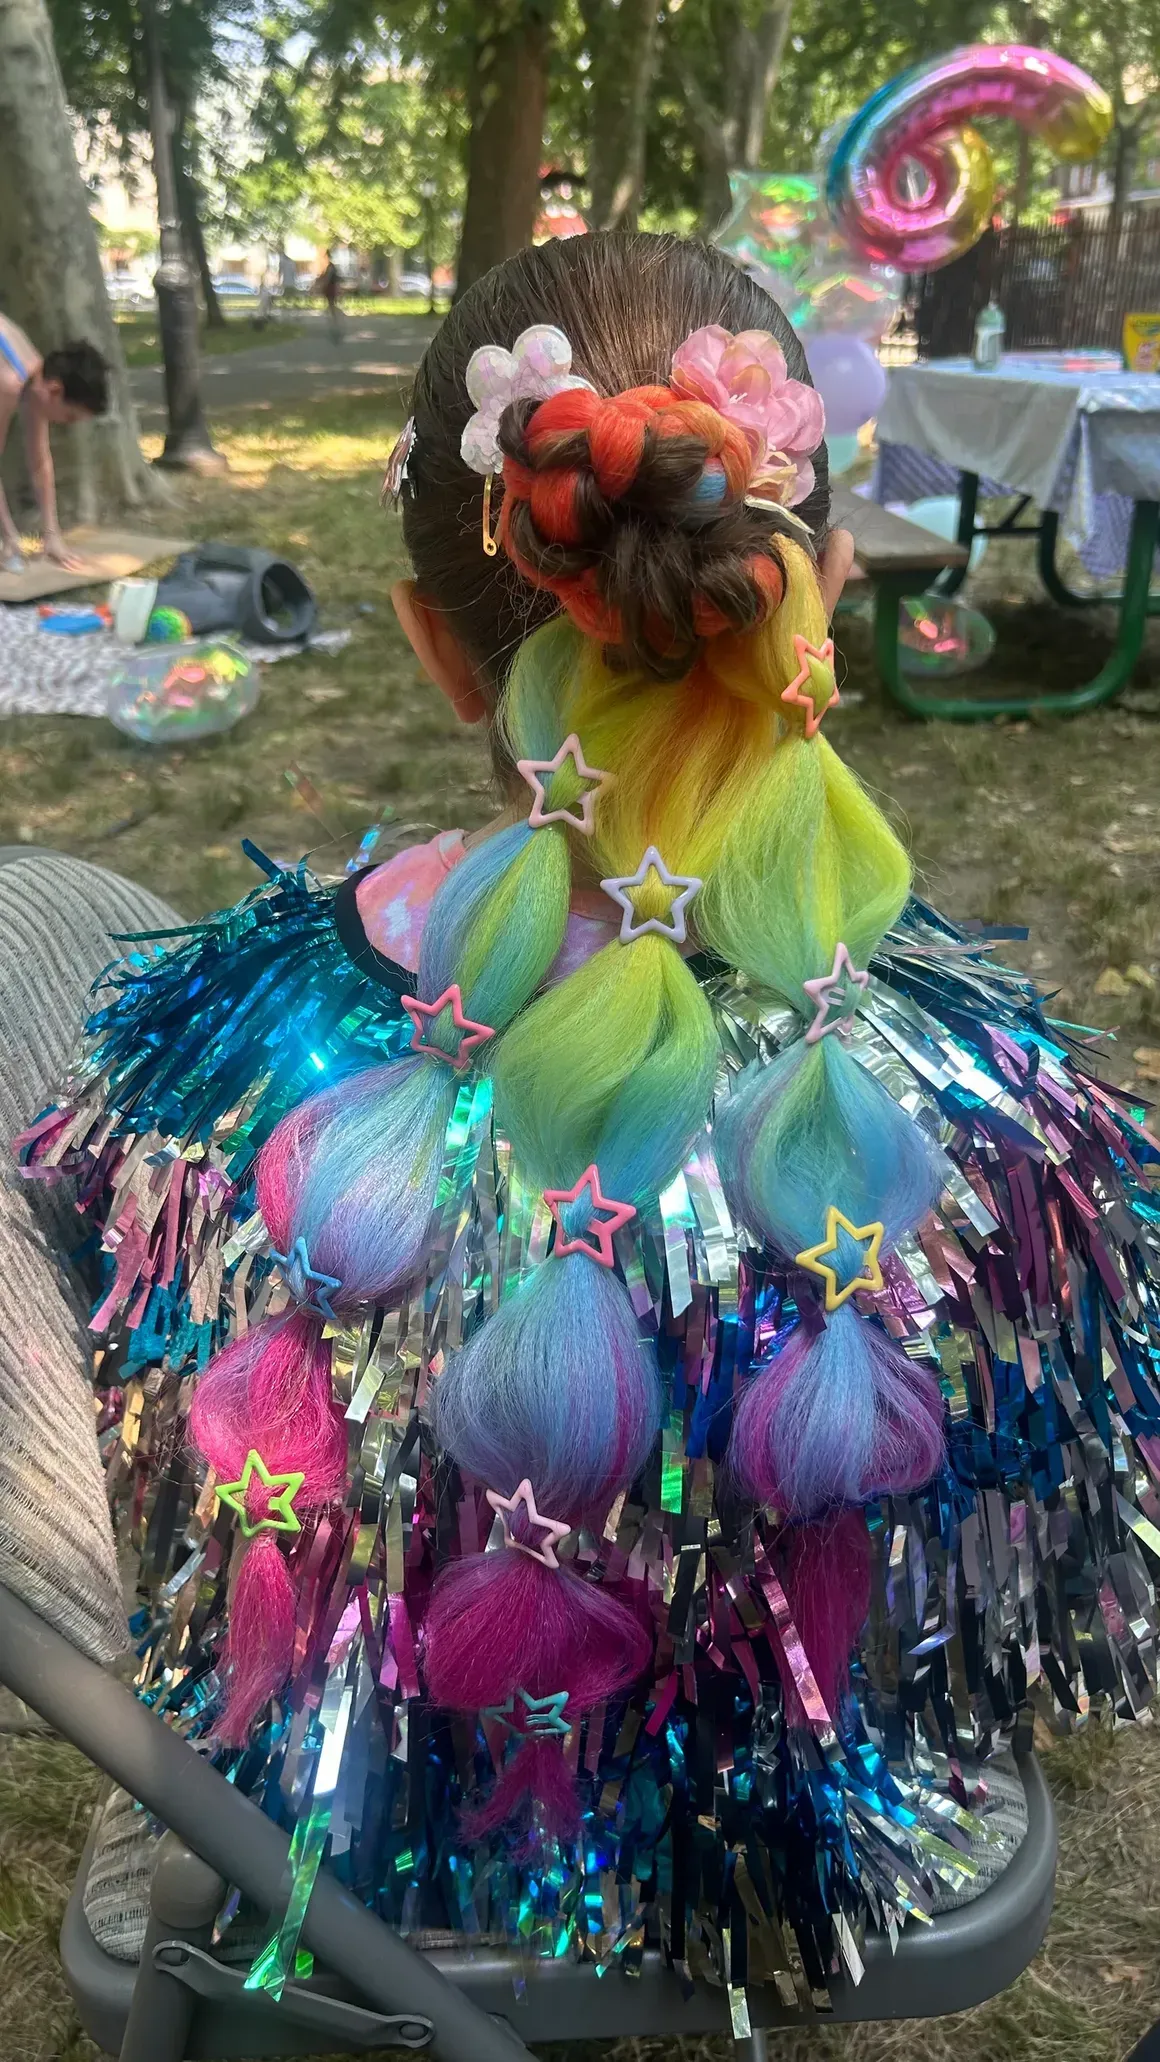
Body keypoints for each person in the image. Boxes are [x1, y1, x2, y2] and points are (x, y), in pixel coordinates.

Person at [17, 233, 1160, 2002]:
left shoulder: (215, 1074)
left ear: (432, 645)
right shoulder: (998, 1111)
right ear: (818, 592)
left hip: (350, 1849)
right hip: (815, 1830)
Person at [0, 321, 109, 572]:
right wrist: (8, 537)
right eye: (70, 417)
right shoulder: (9, 382)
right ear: (55, 390)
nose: (66, 424)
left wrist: (52, 535)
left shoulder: (36, 375)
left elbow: (40, 462)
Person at [316, 248, 342, 343]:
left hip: (330, 289)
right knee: (331, 306)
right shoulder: (331, 266)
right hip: (332, 288)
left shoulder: (330, 267)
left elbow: (328, 278)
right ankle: (335, 323)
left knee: (331, 307)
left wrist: (322, 286)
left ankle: (335, 325)